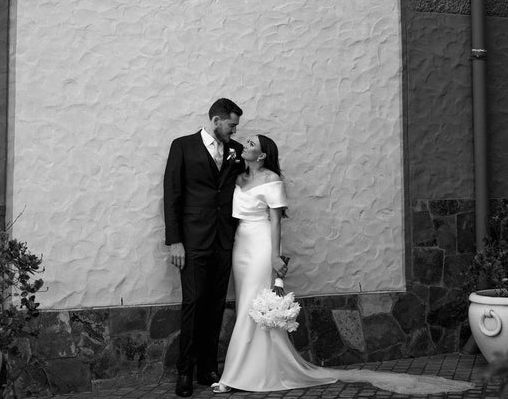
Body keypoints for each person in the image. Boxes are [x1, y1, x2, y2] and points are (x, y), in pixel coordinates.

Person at [211, 135, 474, 395]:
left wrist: (274, 256)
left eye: (250, 144)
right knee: (247, 304)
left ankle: (234, 375)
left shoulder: (272, 180)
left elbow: (277, 221)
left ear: (263, 155)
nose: (244, 146)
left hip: (261, 245)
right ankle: (259, 370)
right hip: (240, 246)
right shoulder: (239, 177)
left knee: (250, 306)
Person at [163, 98, 246, 397]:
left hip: (223, 240)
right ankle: (184, 371)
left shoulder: (236, 152)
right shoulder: (182, 146)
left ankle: (208, 368)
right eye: (231, 125)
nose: (234, 130)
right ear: (216, 120)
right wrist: (175, 241)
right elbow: (172, 195)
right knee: (193, 304)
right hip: (193, 241)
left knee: (214, 305)